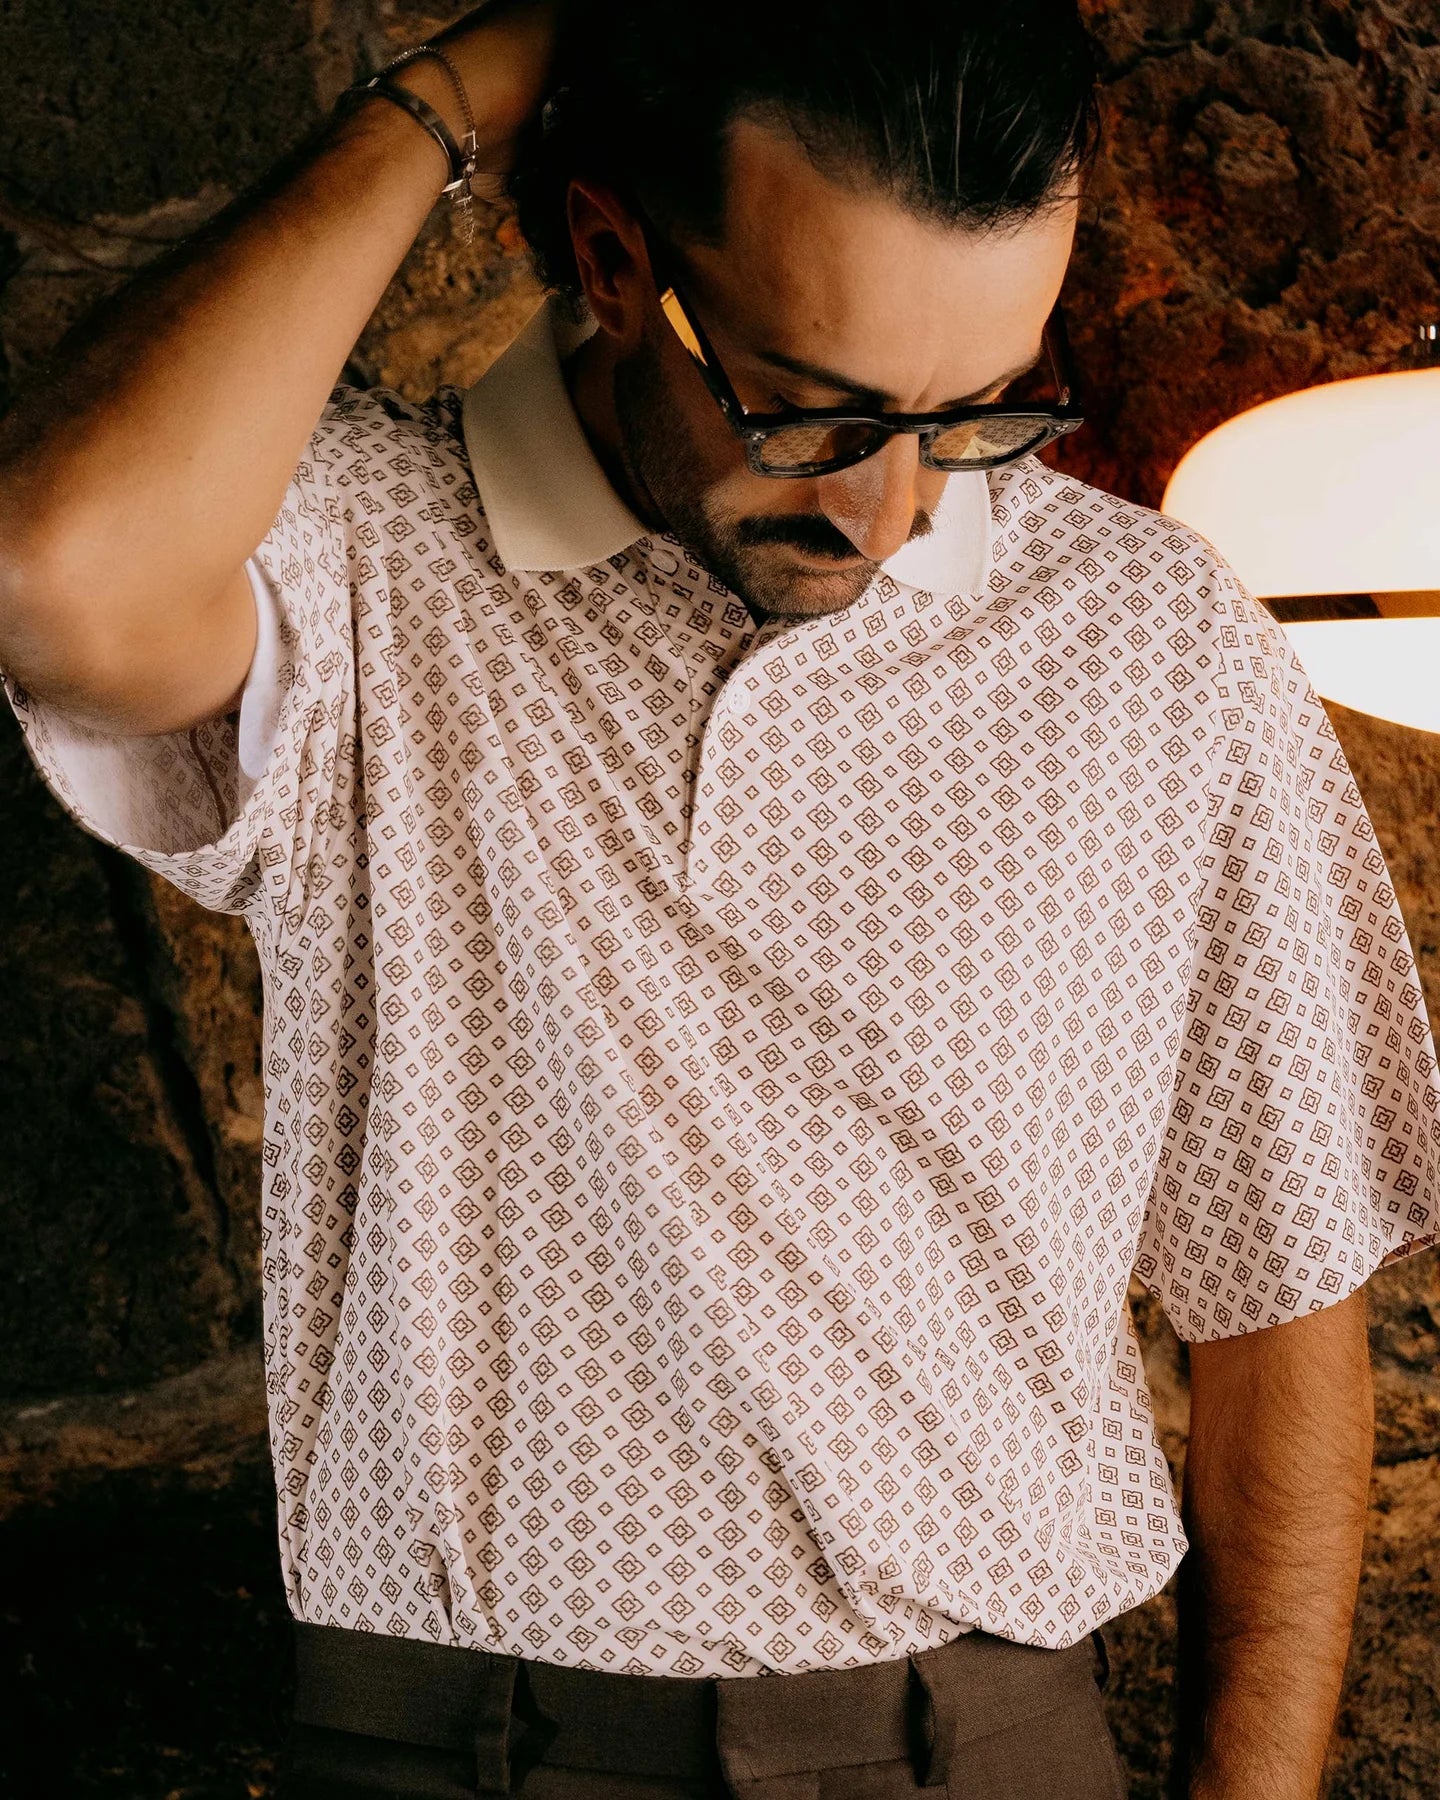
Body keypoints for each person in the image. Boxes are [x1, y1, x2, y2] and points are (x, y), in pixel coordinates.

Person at [0, 1, 1435, 1796]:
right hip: (453, 1754)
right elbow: (53, 571)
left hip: (983, 1752)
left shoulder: (1157, 646)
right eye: (817, 412)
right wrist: (459, 90)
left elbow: (1282, 1287)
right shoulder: (357, 558)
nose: (890, 509)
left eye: (975, 413)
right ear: (614, 258)